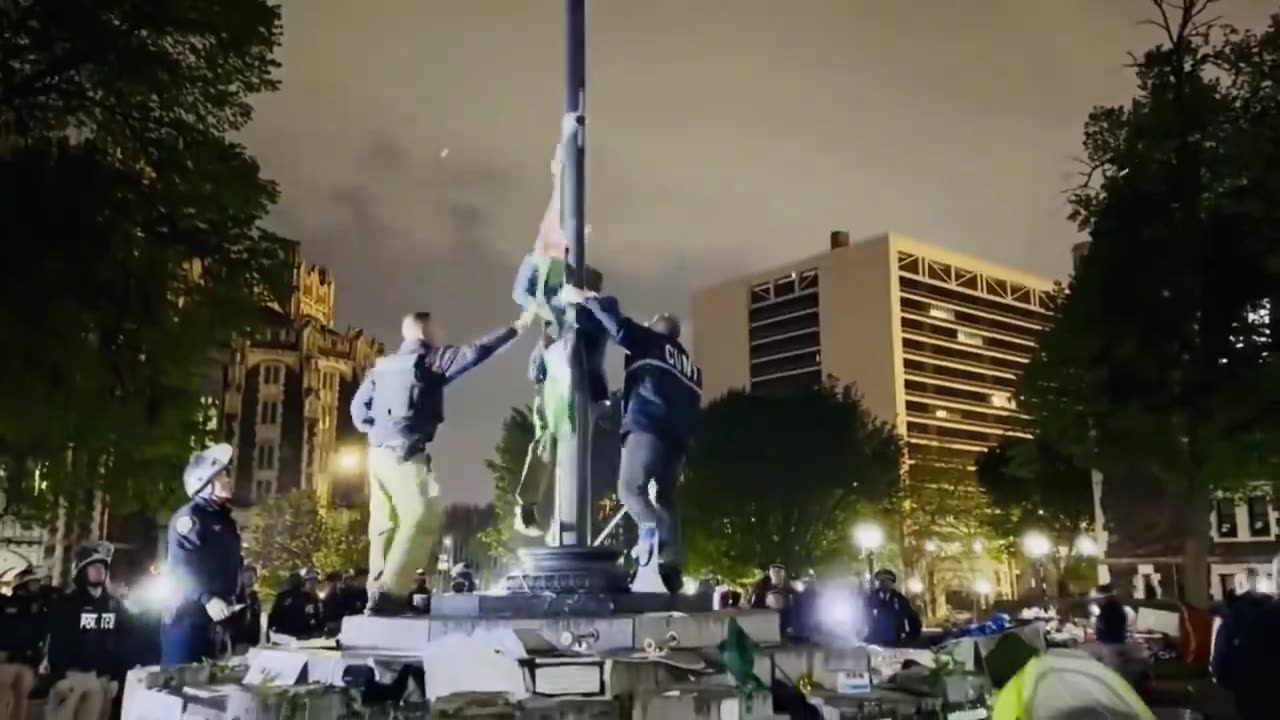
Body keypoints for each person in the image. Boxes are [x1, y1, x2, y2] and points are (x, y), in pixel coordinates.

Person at [351, 308, 537, 614]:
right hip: (405, 453)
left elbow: (358, 411)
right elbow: (476, 352)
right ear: (424, 333)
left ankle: (376, 593)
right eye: (437, 330)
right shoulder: (430, 361)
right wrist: (516, 328)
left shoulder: (381, 367)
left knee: (384, 525)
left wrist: (379, 430)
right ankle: (390, 593)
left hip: (376, 455)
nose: (442, 335)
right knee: (422, 518)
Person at [559, 286, 702, 593]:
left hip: (648, 424)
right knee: (665, 496)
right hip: (678, 440)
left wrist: (587, 299)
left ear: (655, 329)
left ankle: (655, 545)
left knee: (630, 490)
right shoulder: (690, 367)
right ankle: (670, 562)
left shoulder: (649, 342)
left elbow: (618, 324)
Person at [161, 442, 242, 666]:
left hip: (216, 618)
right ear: (204, 483)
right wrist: (205, 598)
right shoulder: (190, 518)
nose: (228, 480)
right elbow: (180, 566)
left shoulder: (225, 521)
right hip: (188, 617)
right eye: (221, 476)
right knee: (179, 685)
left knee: (211, 690)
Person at [46, 542, 128, 717]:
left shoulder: (115, 605)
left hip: (100, 679)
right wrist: (58, 677)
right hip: (71, 676)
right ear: (82, 571)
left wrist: (116, 677)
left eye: (102, 567)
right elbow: (57, 640)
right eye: (93, 567)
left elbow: (122, 642)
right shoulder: (68, 603)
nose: (99, 571)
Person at [0, 565, 50, 669]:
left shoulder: (40, 603)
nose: (38, 585)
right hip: (8, 652)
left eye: (37, 582)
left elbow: (44, 627)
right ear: (23, 585)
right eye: (33, 583)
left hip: (31, 651)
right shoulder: (7, 603)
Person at [864, 569, 922, 647]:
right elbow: (861, 618)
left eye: (886, 580)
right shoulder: (870, 599)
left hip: (896, 642)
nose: (883, 583)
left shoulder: (900, 599)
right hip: (873, 642)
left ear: (892, 582)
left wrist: (910, 638)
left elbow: (913, 620)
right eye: (881, 581)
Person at [268, 570, 324, 640]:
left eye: (315, 582)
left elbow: (316, 619)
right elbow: (274, 616)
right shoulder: (283, 596)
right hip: (286, 635)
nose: (313, 584)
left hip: (297, 637)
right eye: (310, 581)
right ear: (304, 582)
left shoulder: (316, 600)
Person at [229, 564, 262, 653]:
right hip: (237, 640)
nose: (250, 578)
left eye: (252, 576)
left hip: (253, 640)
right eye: (247, 576)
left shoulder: (254, 597)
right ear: (242, 577)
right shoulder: (234, 596)